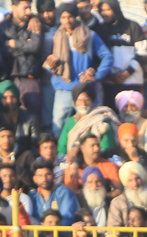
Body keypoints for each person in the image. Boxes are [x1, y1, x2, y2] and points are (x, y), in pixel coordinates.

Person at [43, 3, 112, 137]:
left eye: (70, 17)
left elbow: (107, 56)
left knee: (91, 125)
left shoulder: (89, 36)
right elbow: (48, 65)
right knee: (58, 126)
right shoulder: (56, 36)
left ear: (75, 17)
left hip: (84, 89)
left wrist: (96, 76)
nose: (67, 21)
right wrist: (50, 66)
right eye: (63, 17)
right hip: (63, 88)